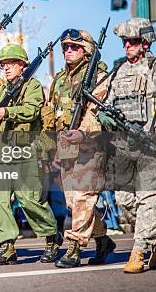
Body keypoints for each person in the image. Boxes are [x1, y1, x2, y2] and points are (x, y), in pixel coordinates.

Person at [0, 44, 61, 265]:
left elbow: (31, 111)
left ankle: (52, 238)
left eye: (11, 64)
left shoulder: (32, 86)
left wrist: (6, 112)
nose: (6, 68)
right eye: (3, 65)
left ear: (22, 66)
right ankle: (6, 246)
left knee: (29, 200)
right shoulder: (0, 91)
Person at [46, 29, 115, 269]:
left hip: (90, 146)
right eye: (65, 46)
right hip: (65, 147)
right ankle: (103, 239)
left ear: (86, 50)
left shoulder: (98, 75)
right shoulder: (59, 80)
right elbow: (50, 114)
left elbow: (96, 112)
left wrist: (82, 133)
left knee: (84, 198)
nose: (68, 50)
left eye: (73, 47)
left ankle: (74, 248)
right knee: (73, 203)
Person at [99, 18, 156, 273]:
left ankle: (139, 251)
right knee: (125, 202)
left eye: (132, 41)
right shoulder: (119, 71)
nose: (127, 46)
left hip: (150, 145)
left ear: (145, 43)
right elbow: (106, 103)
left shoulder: (155, 69)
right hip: (124, 146)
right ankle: (154, 240)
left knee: (148, 199)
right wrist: (106, 117)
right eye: (124, 41)